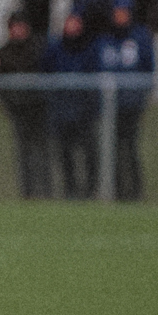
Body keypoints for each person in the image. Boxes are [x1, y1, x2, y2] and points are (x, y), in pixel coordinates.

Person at [97, 0, 155, 200]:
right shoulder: (105, 38)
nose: (120, 16)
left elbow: (148, 68)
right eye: (117, 12)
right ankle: (117, 192)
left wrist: (142, 96)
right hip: (109, 105)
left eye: (124, 12)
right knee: (111, 150)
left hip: (131, 103)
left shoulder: (140, 36)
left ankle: (135, 192)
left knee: (130, 147)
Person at [43, 12, 101, 198]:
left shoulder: (89, 48)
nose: (72, 27)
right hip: (62, 111)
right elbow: (45, 70)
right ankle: (70, 190)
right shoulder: (55, 48)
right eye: (69, 23)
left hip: (84, 111)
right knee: (65, 154)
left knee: (89, 153)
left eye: (76, 23)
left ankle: (90, 190)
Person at [0, 13, 51, 198]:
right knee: (23, 154)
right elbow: (0, 86)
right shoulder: (3, 52)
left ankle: (46, 191)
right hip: (18, 111)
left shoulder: (39, 48)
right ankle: (28, 193)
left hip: (39, 109)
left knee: (42, 152)